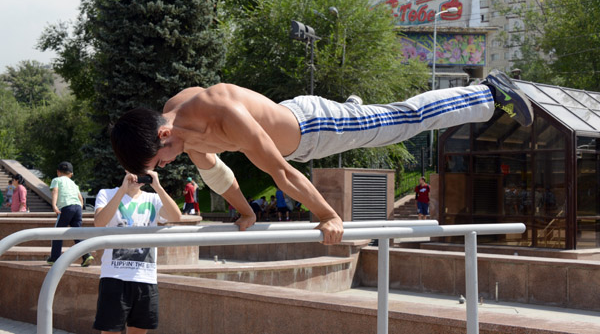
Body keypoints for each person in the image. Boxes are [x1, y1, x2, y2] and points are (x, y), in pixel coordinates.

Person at [110, 69, 533, 244]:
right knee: (369, 119)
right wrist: (246, 213)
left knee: (406, 119)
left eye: (158, 160)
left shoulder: (221, 112)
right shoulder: (184, 130)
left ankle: (487, 93)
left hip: (317, 129)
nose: (164, 166)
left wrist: (329, 215)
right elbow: (216, 175)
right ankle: (351, 106)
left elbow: (282, 173)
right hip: (297, 120)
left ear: (164, 134)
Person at [93, 170, 181, 334]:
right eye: (135, 169)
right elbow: (99, 222)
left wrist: (158, 187)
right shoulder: (107, 194)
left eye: (143, 170)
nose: (138, 175)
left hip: (145, 277)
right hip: (114, 276)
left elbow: (176, 216)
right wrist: (122, 189)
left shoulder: (153, 199)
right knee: (110, 331)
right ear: (126, 169)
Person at [46, 161, 94, 266]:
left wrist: (54, 205)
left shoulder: (56, 180)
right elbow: (80, 198)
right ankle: (86, 255)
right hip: (77, 208)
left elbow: (55, 191)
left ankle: (54, 258)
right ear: (71, 174)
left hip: (66, 208)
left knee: (57, 233)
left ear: (58, 172)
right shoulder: (73, 183)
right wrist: (79, 209)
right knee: (77, 233)